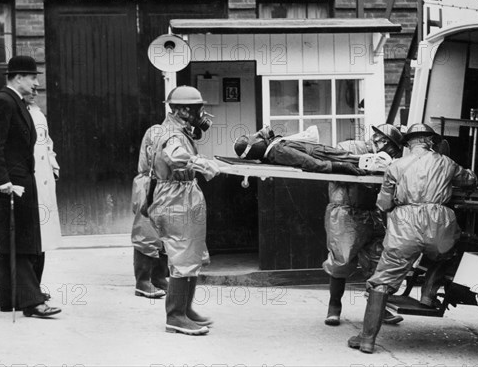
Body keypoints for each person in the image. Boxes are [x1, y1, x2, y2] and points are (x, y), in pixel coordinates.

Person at [348, 123, 477, 354]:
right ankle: (428, 293)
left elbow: (383, 204)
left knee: (381, 282)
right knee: (449, 251)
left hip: (405, 226)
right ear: (431, 141)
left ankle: (366, 340)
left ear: (408, 143)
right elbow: (470, 180)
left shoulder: (396, 165)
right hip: (439, 223)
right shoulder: (447, 163)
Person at [0, 56, 61, 318]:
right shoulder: (4, 102)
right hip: (12, 184)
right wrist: (2, 181)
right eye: (33, 77)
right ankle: (32, 302)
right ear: (18, 78)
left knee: (11, 242)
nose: (36, 83)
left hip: (20, 181)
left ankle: (10, 298)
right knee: (23, 241)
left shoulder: (16, 102)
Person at [145, 86, 220, 335]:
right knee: (181, 256)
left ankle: (186, 310)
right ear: (182, 110)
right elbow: (175, 157)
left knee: (191, 256)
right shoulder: (171, 133)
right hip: (175, 197)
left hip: (184, 194)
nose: (202, 113)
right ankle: (175, 316)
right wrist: (201, 163)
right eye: (198, 108)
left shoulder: (178, 130)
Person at [323, 124, 405, 328]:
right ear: (384, 142)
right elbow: (332, 168)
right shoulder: (350, 147)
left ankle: (378, 309)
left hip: (371, 212)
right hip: (345, 211)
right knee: (341, 261)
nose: (395, 154)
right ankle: (334, 307)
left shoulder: (388, 160)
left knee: (379, 261)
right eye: (394, 149)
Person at [24, 88, 62, 296]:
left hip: (45, 184)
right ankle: (27, 290)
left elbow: (47, 144)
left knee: (43, 240)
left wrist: (54, 166)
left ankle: (35, 287)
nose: (34, 93)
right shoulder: (18, 113)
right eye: (30, 89)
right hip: (30, 183)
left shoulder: (39, 114)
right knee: (30, 240)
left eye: (36, 90)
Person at [130, 127, 169, 299]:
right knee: (146, 233)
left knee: (164, 234)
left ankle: (159, 278)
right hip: (151, 184)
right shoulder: (158, 132)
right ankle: (142, 281)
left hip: (166, 185)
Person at [234, 125, 366, 175]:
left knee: (362, 160)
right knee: (365, 162)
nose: (259, 135)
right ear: (255, 147)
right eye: (255, 137)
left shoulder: (274, 150)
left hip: (325, 153)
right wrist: (341, 166)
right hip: (327, 156)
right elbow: (309, 162)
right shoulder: (278, 151)